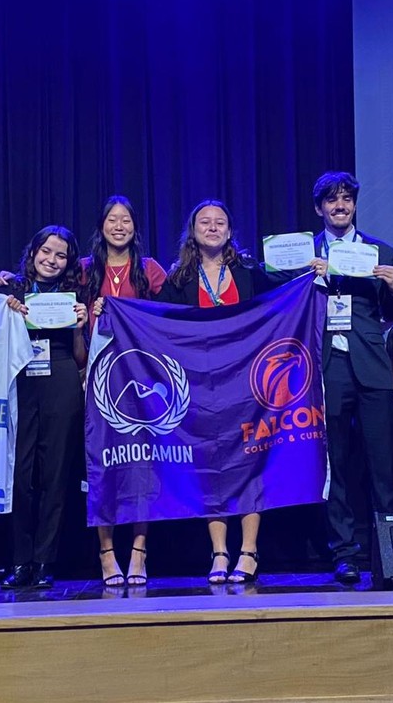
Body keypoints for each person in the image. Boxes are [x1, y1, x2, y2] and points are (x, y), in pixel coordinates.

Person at [299, 172, 393, 584]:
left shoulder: (378, 250)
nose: (340, 205)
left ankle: (391, 550)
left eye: (346, 198)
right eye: (331, 200)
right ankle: (345, 553)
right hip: (326, 367)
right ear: (319, 208)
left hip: (372, 365)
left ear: (355, 205)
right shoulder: (305, 251)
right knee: (337, 463)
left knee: (383, 465)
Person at [155, 200, 269, 584]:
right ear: (193, 230)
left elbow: (283, 304)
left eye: (221, 221)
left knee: (250, 463)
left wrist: (313, 276)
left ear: (230, 231)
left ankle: (248, 552)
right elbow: (162, 327)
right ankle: (219, 552)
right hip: (200, 387)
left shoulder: (250, 272)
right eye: (205, 221)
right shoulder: (178, 280)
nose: (213, 227)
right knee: (211, 467)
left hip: (246, 383)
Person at [0, 225, 88, 589]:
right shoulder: (12, 289)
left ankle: (44, 562)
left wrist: (81, 327)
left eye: (60, 255)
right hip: (20, 379)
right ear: (33, 252)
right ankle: (20, 560)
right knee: (20, 474)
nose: (51, 260)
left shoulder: (74, 295)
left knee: (54, 474)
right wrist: (5, 308)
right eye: (46, 252)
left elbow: (82, 359)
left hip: (62, 377)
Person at [85, 196, 166, 586]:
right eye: (112, 219)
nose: (119, 225)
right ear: (101, 226)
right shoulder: (84, 271)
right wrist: (9, 283)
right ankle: (106, 553)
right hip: (96, 383)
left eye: (126, 220)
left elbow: (169, 319)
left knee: (140, 468)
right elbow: (43, 283)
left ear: (135, 227)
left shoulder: (149, 270)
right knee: (103, 468)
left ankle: (139, 551)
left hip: (140, 381)